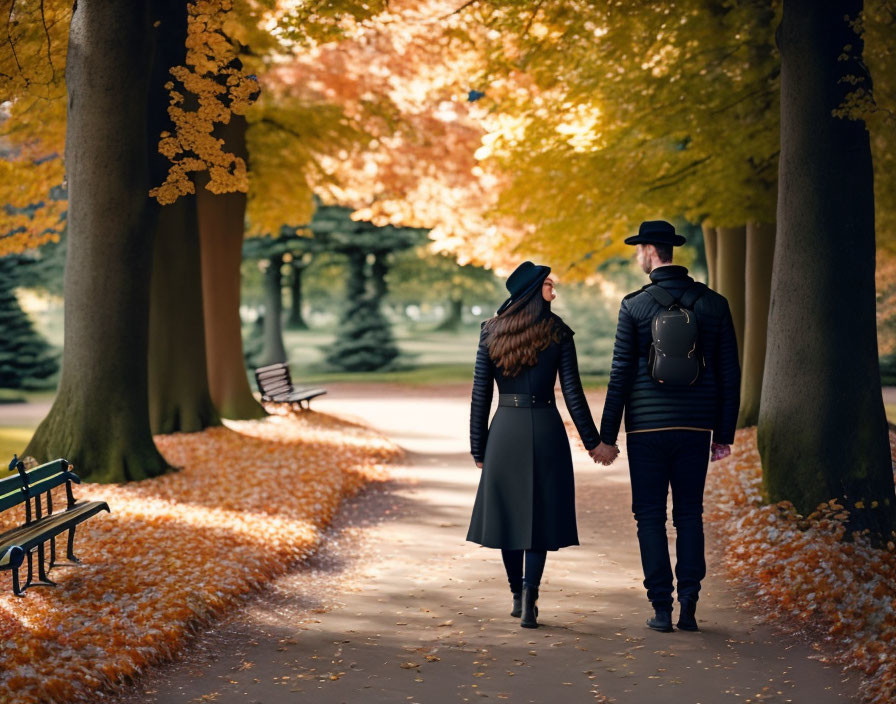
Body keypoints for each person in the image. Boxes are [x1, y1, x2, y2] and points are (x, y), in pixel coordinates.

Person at [593, 220, 741, 633]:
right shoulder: (714, 304)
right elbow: (730, 373)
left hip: (646, 431)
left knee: (650, 517)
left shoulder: (634, 306)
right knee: (690, 513)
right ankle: (690, 600)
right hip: (696, 427)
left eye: (639, 250)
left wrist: (608, 437)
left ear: (648, 251)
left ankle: (661, 607)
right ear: (670, 250)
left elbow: (620, 373)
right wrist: (723, 434)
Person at [467, 261, 606, 629]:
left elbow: (480, 395)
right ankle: (530, 597)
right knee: (539, 515)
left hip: (505, 431)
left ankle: (516, 594)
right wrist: (593, 442)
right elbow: (572, 393)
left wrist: (478, 447)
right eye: (548, 285)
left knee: (508, 515)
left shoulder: (490, 332)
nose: (554, 290)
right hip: (545, 427)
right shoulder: (557, 331)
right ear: (531, 290)